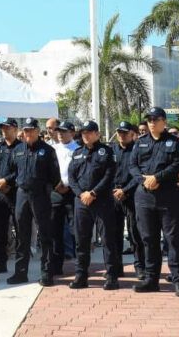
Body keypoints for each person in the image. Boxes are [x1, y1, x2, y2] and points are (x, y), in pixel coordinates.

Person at [129, 106, 179, 296]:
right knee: (149, 239)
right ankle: (151, 279)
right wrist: (144, 180)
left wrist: (158, 178)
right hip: (144, 197)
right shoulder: (140, 142)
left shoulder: (174, 142)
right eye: (149, 120)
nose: (152, 123)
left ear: (164, 121)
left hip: (168, 196)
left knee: (173, 239)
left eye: (156, 119)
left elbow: (177, 164)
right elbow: (132, 165)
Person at [4, 118, 60, 287]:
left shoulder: (48, 150)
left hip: (40, 195)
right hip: (22, 194)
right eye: (26, 130)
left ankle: (46, 272)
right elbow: (11, 172)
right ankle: (20, 273)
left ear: (37, 131)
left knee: (44, 234)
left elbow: (54, 176)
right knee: (22, 234)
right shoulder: (18, 150)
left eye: (31, 130)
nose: (28, 133)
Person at [67, 121, 119, 290]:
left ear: (97, 134)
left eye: (89, 132)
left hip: (102, 201)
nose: (86, 135)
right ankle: (81, 276)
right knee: (81, 240)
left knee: (107, 240)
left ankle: (111, 276)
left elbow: (109, 175)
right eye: (83, 133)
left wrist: (93, 193)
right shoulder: (77, 153)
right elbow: (72, 177)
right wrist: (81, 194)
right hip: (81, 202)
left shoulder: (106, 151)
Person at [110, 121, 144, 280]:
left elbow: (140, 175)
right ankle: (116, 267)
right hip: (113, 196)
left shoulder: (138, 150)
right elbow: (105, 172)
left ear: (132, 134)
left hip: (131, 195)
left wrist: (125, 190)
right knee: (114, 234)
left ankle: (140, 267)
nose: (122, 135)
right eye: (119, 132)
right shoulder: (110, 150)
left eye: (125, 132)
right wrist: (114, 190)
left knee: (135, 234)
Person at [0, 118, 22, 274]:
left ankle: (20, 265)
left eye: (8, 128)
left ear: (15, 129)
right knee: (0, 230)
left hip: (16, 193)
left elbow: (23, 170)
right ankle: (1, 262)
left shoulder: (22, 148)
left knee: (20, 230)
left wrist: (8, 181)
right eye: (3, 128)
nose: (4, 130)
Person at [50, 120, 79, 274]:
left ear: (72, 133)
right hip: (56, 192)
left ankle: (80, 264)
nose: (60, 134)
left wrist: (69, 186)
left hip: (73, 193)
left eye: (64, 131)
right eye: (58, 131)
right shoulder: (52, 149)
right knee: (56, 230)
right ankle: (56, 265)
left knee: (76, 229)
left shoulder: (79, 149)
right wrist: (57, 185)